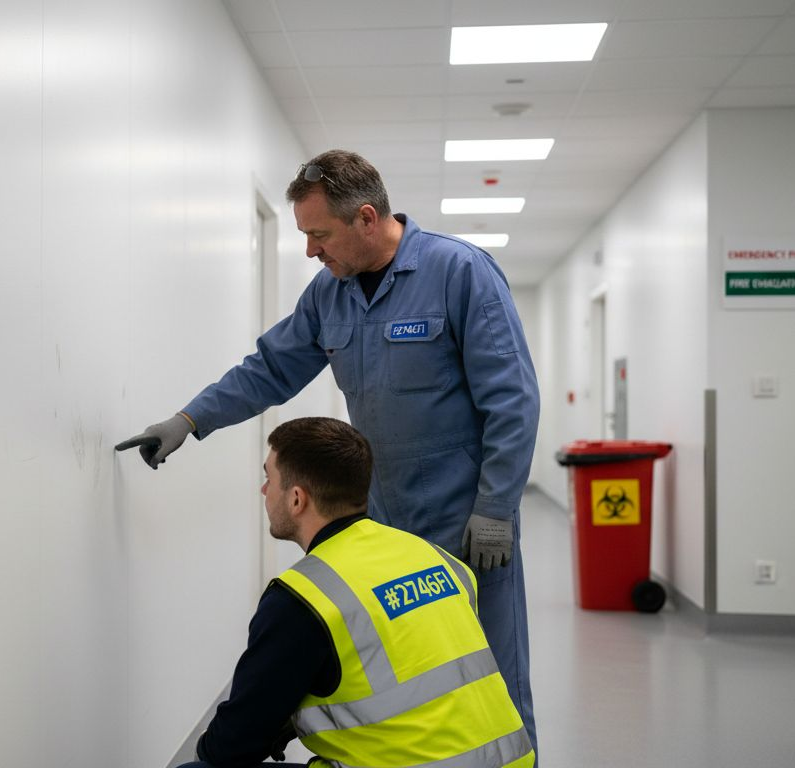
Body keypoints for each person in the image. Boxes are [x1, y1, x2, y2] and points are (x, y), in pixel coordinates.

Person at [116, 149, 540, 752]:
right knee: (403, 674)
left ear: (366, 218)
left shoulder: (459, 273)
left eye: (319, 235)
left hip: (468, 523)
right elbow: (269, 370)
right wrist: (189, 419)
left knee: (489, 673)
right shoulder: (329, 295)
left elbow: (513, 401)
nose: (312, 250)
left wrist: (496, 509)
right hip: (383, 524)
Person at [175, 417, 534, 768]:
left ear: (297, 499)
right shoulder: (434, 557)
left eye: (269, 478)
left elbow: (230, 748)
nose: (264, 490)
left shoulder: (301, 599)